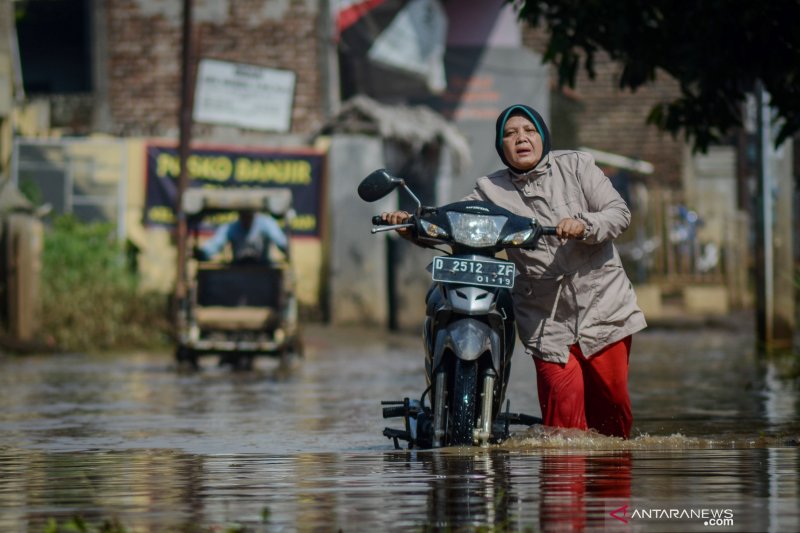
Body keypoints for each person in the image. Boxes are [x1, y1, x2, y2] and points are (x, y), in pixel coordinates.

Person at [382, 103, 646, 439]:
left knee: (612, 412)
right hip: (545, 318)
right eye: (510, 133)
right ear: (501, 146)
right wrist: (411, 225)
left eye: (528, 131)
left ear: (542, 137)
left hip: (602, 306)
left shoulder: (577, 166)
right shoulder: (489, 190)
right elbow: (455, 222)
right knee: (562, 426)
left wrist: (584, 224)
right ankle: (564, 488)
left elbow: (617, 212)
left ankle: (608, 485)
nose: (520, 138)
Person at [195, 208, 288, 264]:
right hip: (238, 274)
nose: (246, 216)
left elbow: (281, 241)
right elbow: (215, 245)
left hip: (263, 273)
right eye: (243, 213)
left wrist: (286, 249)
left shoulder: (266, 223)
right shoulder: (231, 227)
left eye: (248, 213)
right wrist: (202, 253)